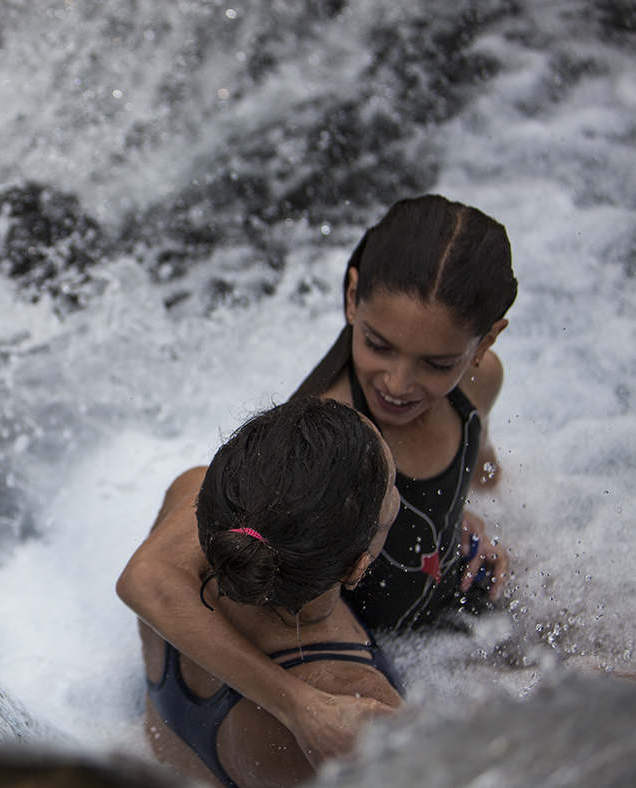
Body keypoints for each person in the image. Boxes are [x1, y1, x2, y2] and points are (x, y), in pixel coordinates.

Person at [117, 195, 518, 765]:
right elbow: (152, 578)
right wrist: (298, 703)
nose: (399, 383)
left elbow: (485, 472)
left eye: (437, 363)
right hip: (383, 653)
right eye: (379, 346)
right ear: (352, 298)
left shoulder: (479, 383)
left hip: (447, 601)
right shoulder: (323, 449)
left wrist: (468, 520)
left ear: (486, 343)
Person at [135, 397, 404, 788]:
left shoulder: (193, 507)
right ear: (355, 567)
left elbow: (141, 578)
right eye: (393, 487)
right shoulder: (357, 704)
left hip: (156, 756)